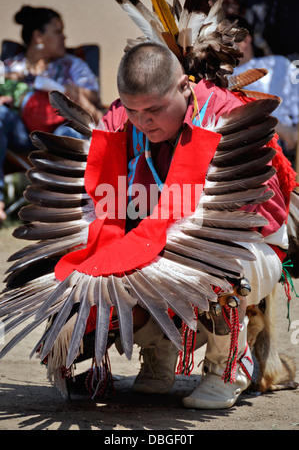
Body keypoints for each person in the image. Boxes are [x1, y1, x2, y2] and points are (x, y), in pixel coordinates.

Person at [56, 41, 290, 409]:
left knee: (207, 261)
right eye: (134, 109)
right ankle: (160, 352)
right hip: (158, 243)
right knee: (93, 265)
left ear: (184, 87)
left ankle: (228, 367)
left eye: (155, 109)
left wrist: (182, 234)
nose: (144, 121)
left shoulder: (224, 115)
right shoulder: (119, 122)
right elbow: (100, 206)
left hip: (243, 248)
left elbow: (263, 214)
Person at [0, 5, 102, 222]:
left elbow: (93, 103)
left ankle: (64, 203)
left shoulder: (74, 65)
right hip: (19, 136)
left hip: (58, 135)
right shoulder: (9, 68)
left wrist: (70, 92)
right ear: (38, 36)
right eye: (57, 31)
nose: (64, 37)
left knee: (72, 130)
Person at [232, 16, 299, 169]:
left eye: (231, 35)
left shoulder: (279, 63)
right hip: (257, 145)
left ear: (247, 38)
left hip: (292, 144)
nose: (226, 42)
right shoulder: (223, 79)